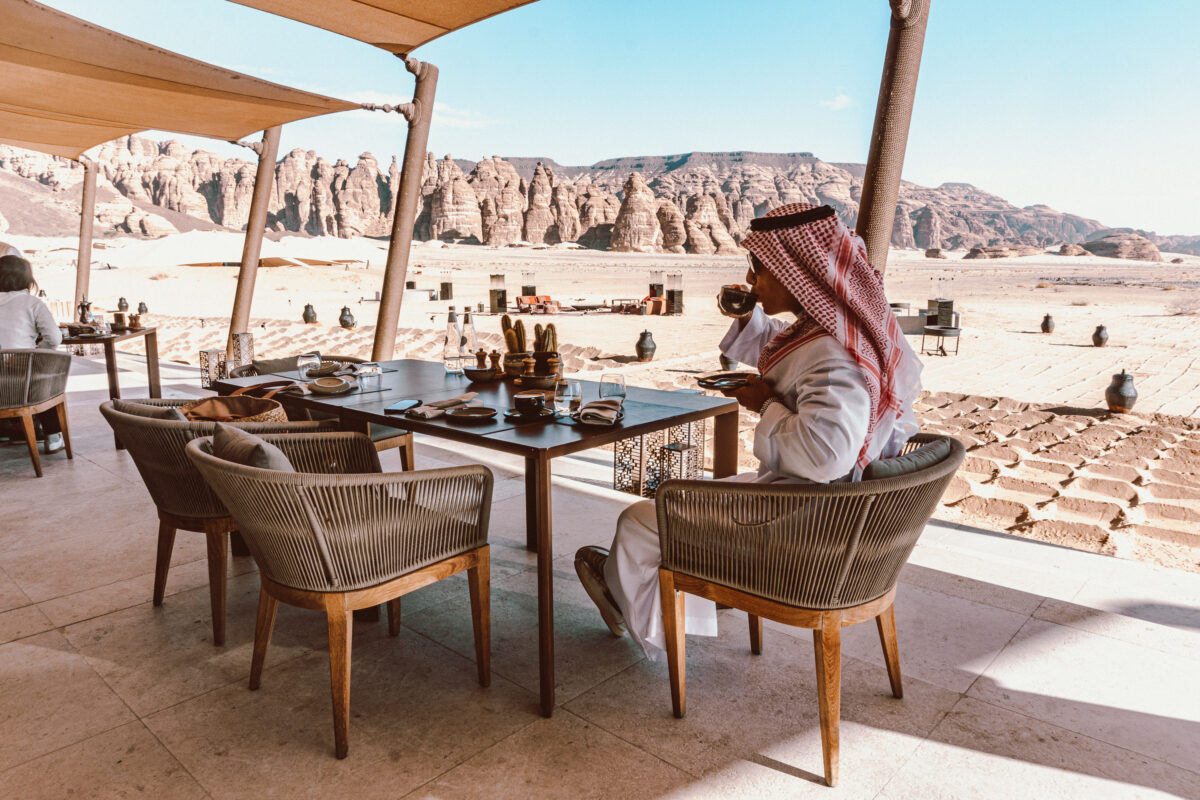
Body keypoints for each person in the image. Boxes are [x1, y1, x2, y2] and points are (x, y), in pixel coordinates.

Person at [574, 203, 923, 659]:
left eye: (759, 272)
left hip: (804, 521)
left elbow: (825, 456)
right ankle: (658, 594)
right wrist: (745, 317)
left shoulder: (834, 355)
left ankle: (632, 607)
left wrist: (766, 404)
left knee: (641, 519)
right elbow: (794, 350)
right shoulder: (846, 333)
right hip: (832, 509)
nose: (752, 282)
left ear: (794, 273)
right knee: (684, 500)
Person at [0, 254, 65, 453]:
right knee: (44, 380)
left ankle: (8, 430)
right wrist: (36, 351)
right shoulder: (32, 303)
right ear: (27, 279)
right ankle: (53, 436)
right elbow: (54, 338)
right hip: (23, 383)